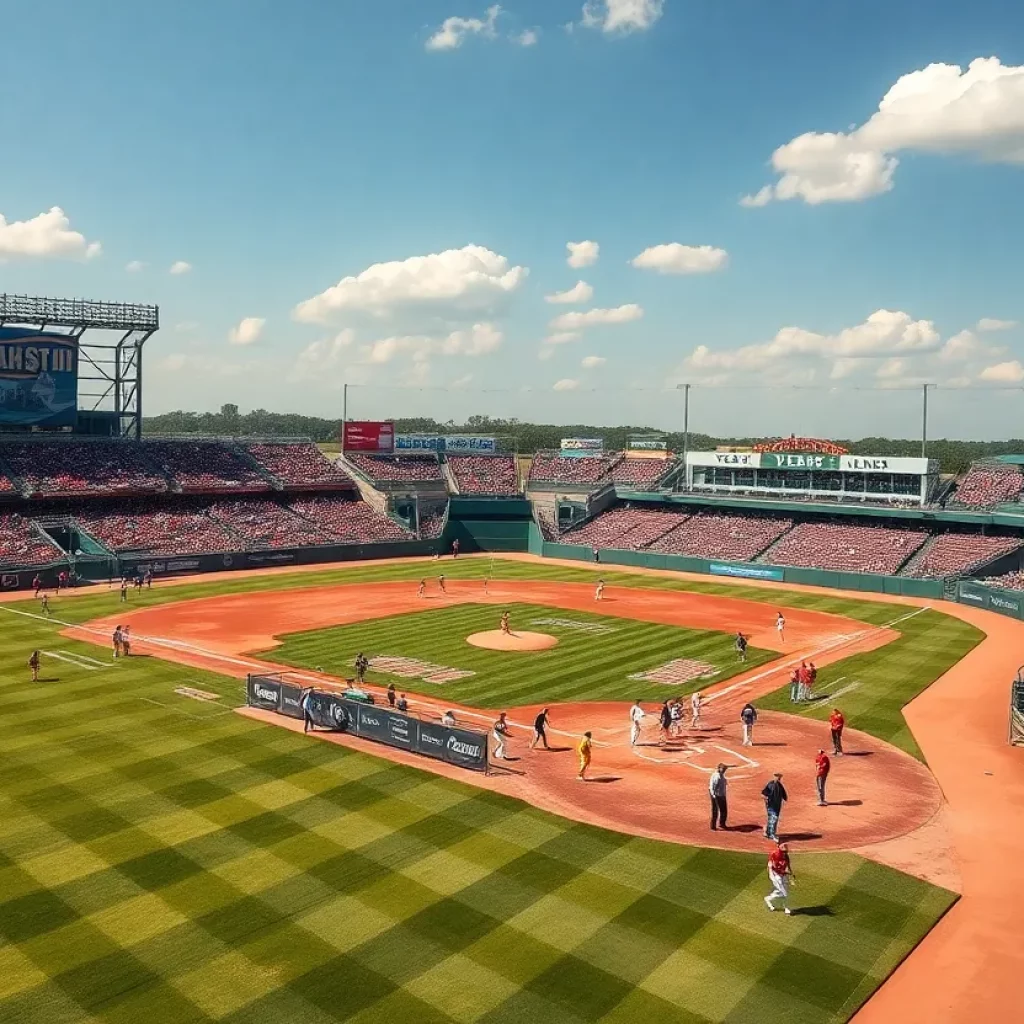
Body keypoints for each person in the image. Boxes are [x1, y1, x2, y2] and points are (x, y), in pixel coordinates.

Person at [765, 843, 794, 914]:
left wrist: (791, 873)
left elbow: (788, 864)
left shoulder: (786, 856)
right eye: (784, 851)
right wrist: (787, 873)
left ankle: (768, 899)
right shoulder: (775, 854)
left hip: (782, 874)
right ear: (781, 850)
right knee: (784, 893)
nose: (786, 852)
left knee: (782, 891)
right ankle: (786, 908)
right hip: (775, 875)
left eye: (786, 851)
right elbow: (775, 868)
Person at [762, 771, 788, 841]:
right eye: (777, 777)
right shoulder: (770, 784)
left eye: (779, 777)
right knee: (774, 818)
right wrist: (766, 799)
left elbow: (785, 796)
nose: (778, 778)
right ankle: (772, 834)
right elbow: (763, 794)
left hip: (777, 805)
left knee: (772, 818)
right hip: (771, 805)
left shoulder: (780, 786)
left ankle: (767, 831)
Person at [709, 763, 728, 830]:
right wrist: (713, 796)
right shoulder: (716, 777)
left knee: (724, 810)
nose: (724, 770)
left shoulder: (721, 775)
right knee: (715, 810)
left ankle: (722, 823)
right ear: (719, 768)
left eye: (725, 769)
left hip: (722, 795)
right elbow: (712, 787)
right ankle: (713, 826)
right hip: (716, 795)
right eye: (723, 769)